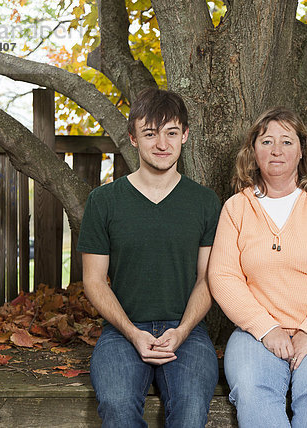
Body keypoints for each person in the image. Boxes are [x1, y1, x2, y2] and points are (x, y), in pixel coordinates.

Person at [208, 107, 307, 427]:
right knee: (255, 396)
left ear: (301, 151)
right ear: (253, 150)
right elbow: (223, 276)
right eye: (266, 141)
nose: (276, 150)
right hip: (257, 334)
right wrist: (266, 328)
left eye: (286, 141)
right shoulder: (237, 207)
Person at [77, 88, 221, 428]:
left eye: (172, 133)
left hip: (187, 330)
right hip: (122, 330)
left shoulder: (205, 202)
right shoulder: (104, 201)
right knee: (116, 406)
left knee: (189, 410)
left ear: (184, 135)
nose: (162, 144)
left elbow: (207, 279)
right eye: (150, 133)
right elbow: (93, 280)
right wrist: (131, 332)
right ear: (132, 138)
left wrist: (183, 331)